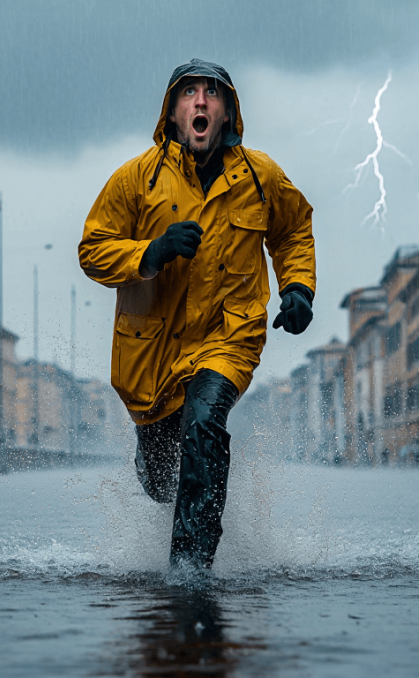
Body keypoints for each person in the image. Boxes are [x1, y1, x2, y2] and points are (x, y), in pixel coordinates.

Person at [78, 59, 316, 570]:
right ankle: (160, 469)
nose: (201, 102)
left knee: (204, 425)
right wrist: (152, 251)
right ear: (173, 112)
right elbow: (92, 249)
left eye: (212, 93)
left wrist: (297, 288)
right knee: (163, 482)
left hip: (228, 338)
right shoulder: (137, 179)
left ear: (229, 112)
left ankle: (189, 568)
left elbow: (293, 230)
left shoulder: (260, 175)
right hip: (154, 353)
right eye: (190, 93)